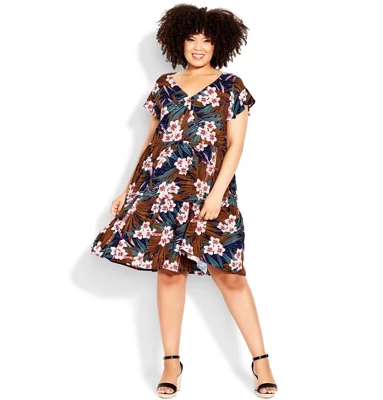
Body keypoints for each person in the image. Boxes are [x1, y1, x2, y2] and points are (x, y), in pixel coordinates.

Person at [91, 4, 278, 399]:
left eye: (206, 41)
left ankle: (261, 361)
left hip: (210, 193)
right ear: (178, 41)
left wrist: (217, 194)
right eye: (191, 39)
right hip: (161, 190)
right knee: (170, 273)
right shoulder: (164, 84)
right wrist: (127, 188)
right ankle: (171, 364)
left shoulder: (231, 86)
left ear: (219, 45)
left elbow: (236, 145)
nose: (198, 47)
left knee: (230, 275)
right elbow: (151, 142)